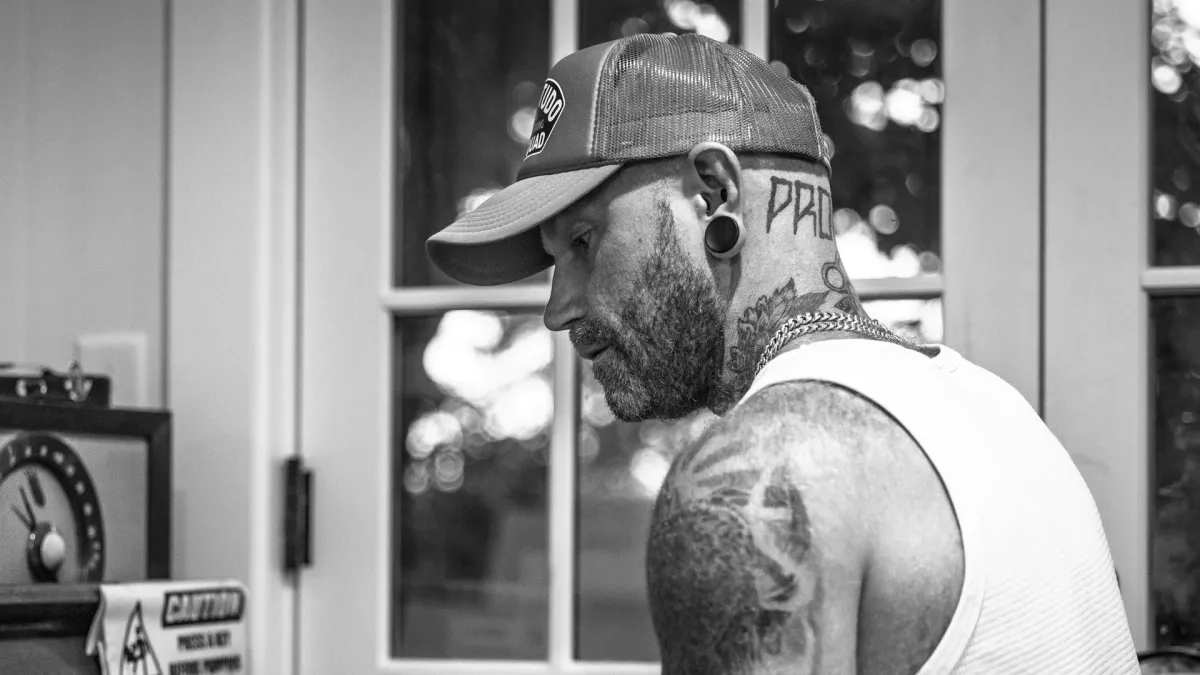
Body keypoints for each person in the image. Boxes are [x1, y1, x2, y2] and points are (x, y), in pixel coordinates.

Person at [426, 32, 1140, 675]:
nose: (558, 309)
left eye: (584, 243)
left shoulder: (764, 474)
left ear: (715, 193)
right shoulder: (995, 412)